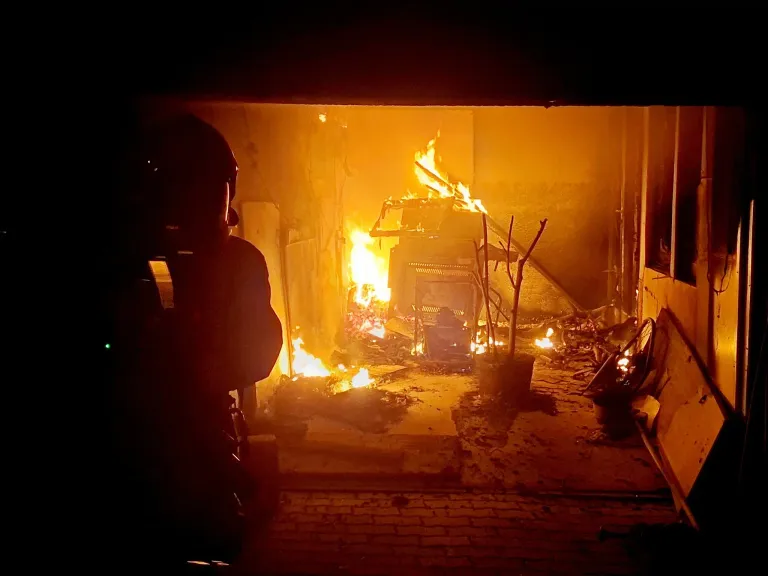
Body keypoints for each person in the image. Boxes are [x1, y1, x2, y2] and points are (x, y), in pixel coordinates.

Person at [112, 113, 282, 564]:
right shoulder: (142, 264)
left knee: (212, 535)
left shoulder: (236, 262)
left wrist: (213, 373)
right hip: (141, 434)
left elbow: (259, 349)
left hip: (199, 432)